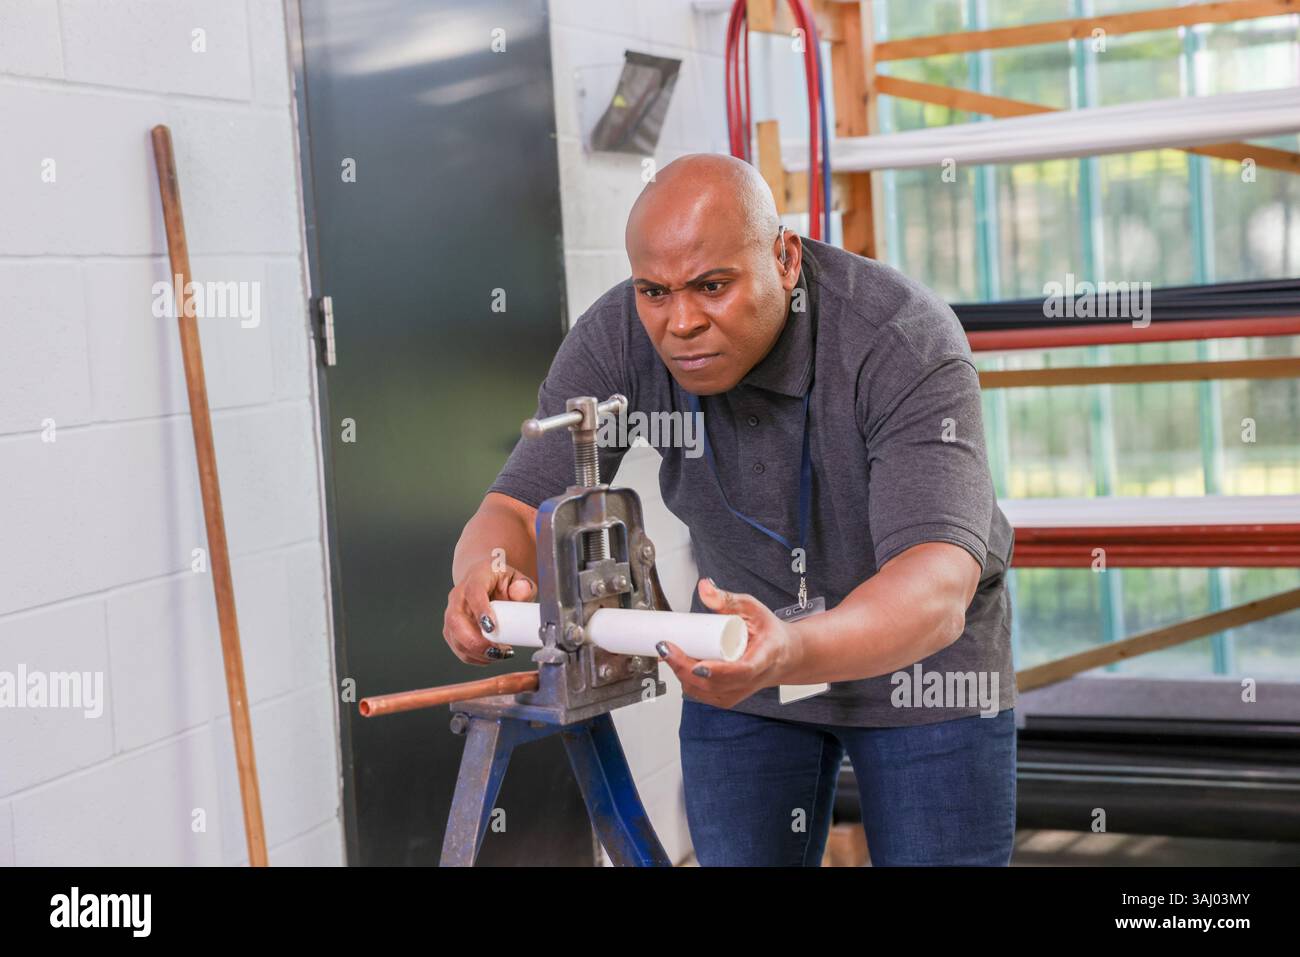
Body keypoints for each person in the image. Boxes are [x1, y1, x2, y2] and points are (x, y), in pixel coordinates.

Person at [443, 153, 1017, 866]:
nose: (680, 321)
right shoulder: (622, 333)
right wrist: (481, 571)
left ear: (783, 257)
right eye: (655, 290)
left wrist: (796, 648)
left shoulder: (900, 340)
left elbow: (937, 590)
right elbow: (513, 503)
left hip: (922, 660)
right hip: (739, 653)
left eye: (712, 286)